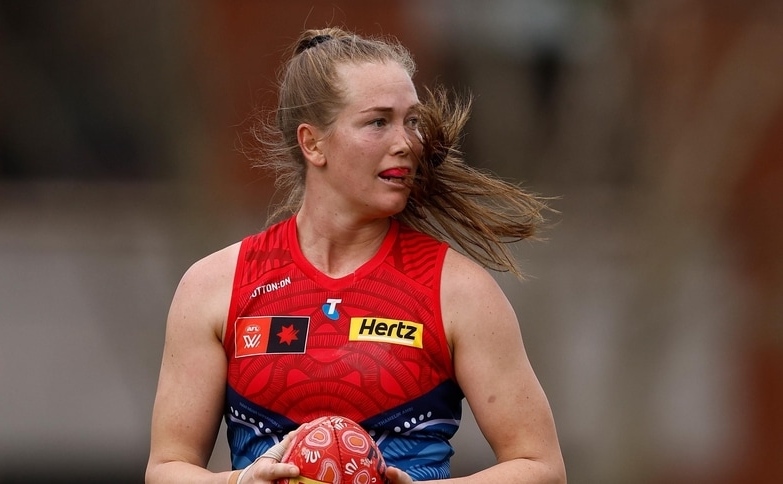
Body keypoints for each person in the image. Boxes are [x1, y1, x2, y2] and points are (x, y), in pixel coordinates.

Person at [146, 27, 565, 484]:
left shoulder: (458, 291)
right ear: (312, 143)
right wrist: (238, 482)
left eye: (412, 121)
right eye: (378, 122)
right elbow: (166, 469)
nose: (407, 143)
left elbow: (542, 468)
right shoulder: (216, 286)